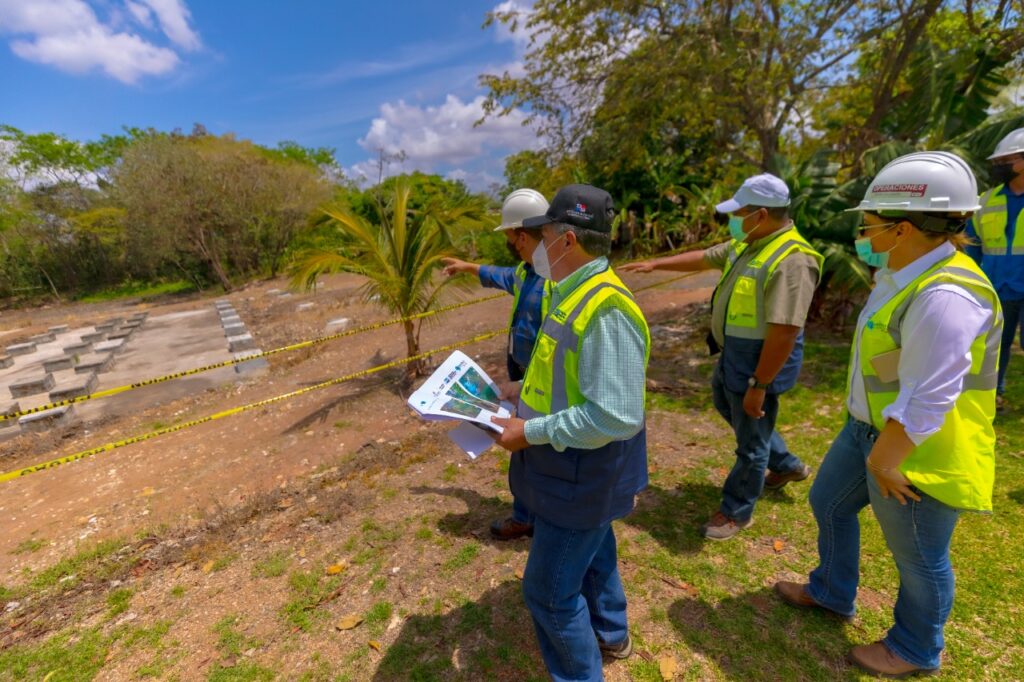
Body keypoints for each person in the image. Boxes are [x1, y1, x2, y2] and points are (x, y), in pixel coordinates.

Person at [774, 151, 1001, 677]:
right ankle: (832, 591)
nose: (863, 234)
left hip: (916, 449)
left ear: (902, 229)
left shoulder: (947, 296)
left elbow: (931, 394)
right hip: (870, 431)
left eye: (870, 224)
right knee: (828, 502)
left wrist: (885, 461)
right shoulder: (905, 270)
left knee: (920, 558)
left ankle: (916, 647)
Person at [490, 184, 649, 681]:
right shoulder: (572, 290)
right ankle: (610, 632)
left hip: (583, 471)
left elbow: (616, 416)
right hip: (570, 467)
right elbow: (568, 373)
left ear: (566, 240)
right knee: (594, 550)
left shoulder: (605, 308)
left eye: (544, 234)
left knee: (549, 593)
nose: (535, 244)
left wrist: (530, 431)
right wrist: (519, 389)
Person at [622, 173, 822, 540]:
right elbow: (705, 257)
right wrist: (655, 265)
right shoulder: (750, 242)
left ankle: (736, 511)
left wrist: (760, 385)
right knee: (725, 403)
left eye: (738, 212)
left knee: (751, 442)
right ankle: (787, 464)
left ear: (760, 214)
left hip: (760, 361)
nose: (733, 220)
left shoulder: (792, 260)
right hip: (735, 355)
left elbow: (785, 332)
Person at [441, 189, 551, 541]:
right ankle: (533, 512)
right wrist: (467, 267)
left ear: (522, 235)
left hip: (544, 382)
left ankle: (531, 516)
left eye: (510, 238)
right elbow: (499, 275)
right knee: (528, 453)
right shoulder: (525, 271)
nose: (510, 246)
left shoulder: (557, 281)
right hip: (523, 378)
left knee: (533, 452)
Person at [965, 127, 1024, 411]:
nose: (999, 167)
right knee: (993, 347)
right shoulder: (985, 201)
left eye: (1005, 161)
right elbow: (971, 248)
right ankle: (994, 395)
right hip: (996, 287)